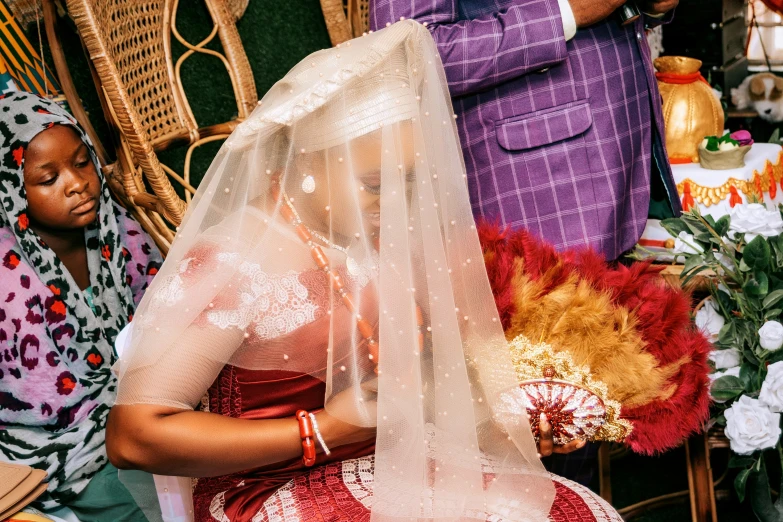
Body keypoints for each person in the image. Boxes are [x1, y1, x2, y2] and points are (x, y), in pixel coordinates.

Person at [106, 21, 621, 522]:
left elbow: (421, 387)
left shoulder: (388, 234)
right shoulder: (233, 260)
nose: (397, 204)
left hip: (400, 460)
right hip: (267, 486)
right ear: (308, 160)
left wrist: (506, 422)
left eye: (410, 181)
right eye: (376, 185)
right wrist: (323, 429)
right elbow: (134, 437)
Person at [369, 0, 680, 488]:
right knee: (529, 431)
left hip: (612, 157)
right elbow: (409, 51)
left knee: (577, 411)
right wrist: (569, 12)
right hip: (533, 178)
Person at [370, 0, 680, 263]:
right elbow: (409, 51)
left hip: (621, 157)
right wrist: (564, 14)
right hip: (537, 184)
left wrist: (649, 7)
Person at [0, 92, 161, 521]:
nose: (76, 183)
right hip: (60, 443)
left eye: (81, 162)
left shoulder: (119, 231)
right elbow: (34, 400)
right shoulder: (6, 281)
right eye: (48, 179)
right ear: (13, 192)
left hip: (142, 404)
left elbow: (162, 317)